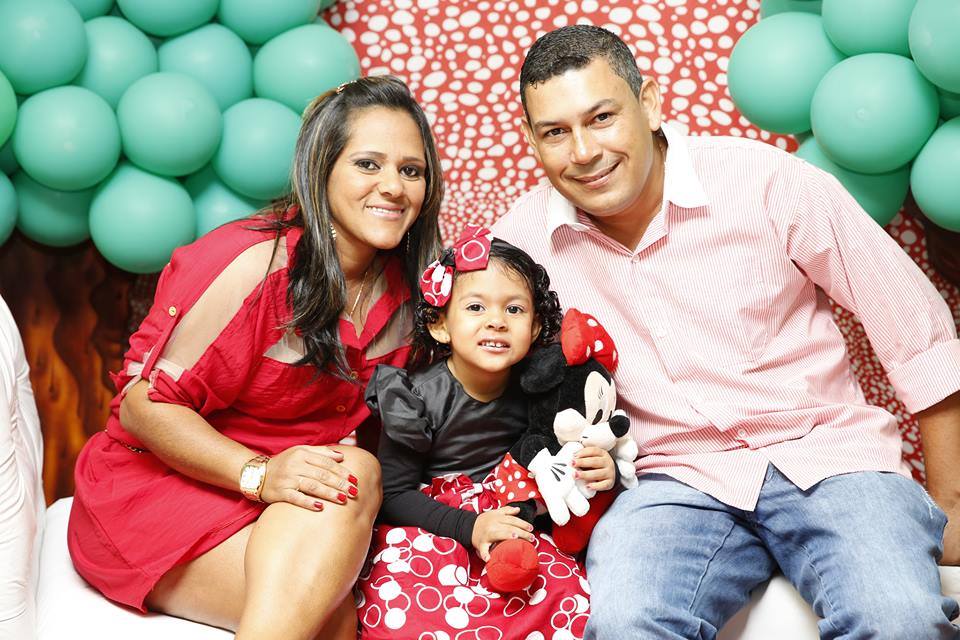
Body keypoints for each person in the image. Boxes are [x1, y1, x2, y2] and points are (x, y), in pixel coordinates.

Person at [492, 24, 960, 639]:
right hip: (667, 480)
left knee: (897, 618)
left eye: (602, 118)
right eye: (556, 132)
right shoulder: (521, 243)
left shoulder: (766, 181)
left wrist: (953, 503)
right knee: (627, 621)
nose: (583, 151)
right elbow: (476, 371)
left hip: (826, 456)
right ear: (533, 140)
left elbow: (915, 327)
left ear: (649, 104)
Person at [67, 76, 444, 640]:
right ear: (321, 169)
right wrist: (260, 474)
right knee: (331, 616)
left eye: (411, 171)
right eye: (368, 164)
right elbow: (144, 408)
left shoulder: (411, 291)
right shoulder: (249, 262)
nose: (393, 187)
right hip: (162, 487)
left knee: (354, 485)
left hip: (289, 498)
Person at [357, 231, 608, 639]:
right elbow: (393, 495)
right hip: (436, 528)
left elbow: (567, 453)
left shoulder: (544, 389)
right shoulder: (416, 397)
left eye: (514, 309)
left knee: (566, 596)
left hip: (514, 524)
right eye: (476, 307)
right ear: (440, 324)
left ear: (535, 326)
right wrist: (470, 527)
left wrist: (598, 469)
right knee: (410, 610)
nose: (496, 320)